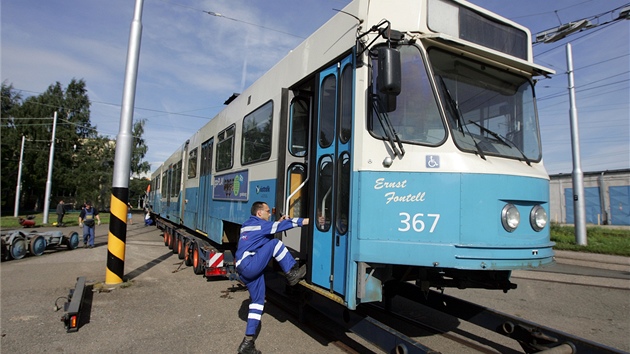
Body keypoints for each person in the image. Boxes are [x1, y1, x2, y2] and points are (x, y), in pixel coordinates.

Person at [235, 202, 309, 354]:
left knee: (257, 303)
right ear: (259, 213)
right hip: (250, 265)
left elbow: (260, 237)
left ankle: (247, 343)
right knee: (275, 243)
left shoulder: (248, 225)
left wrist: (277, 223)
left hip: (244, 268)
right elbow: (285, 226)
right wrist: (309, 221)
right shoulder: (261, 226)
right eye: (268, 212)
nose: (270, 214)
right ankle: (292, 273)